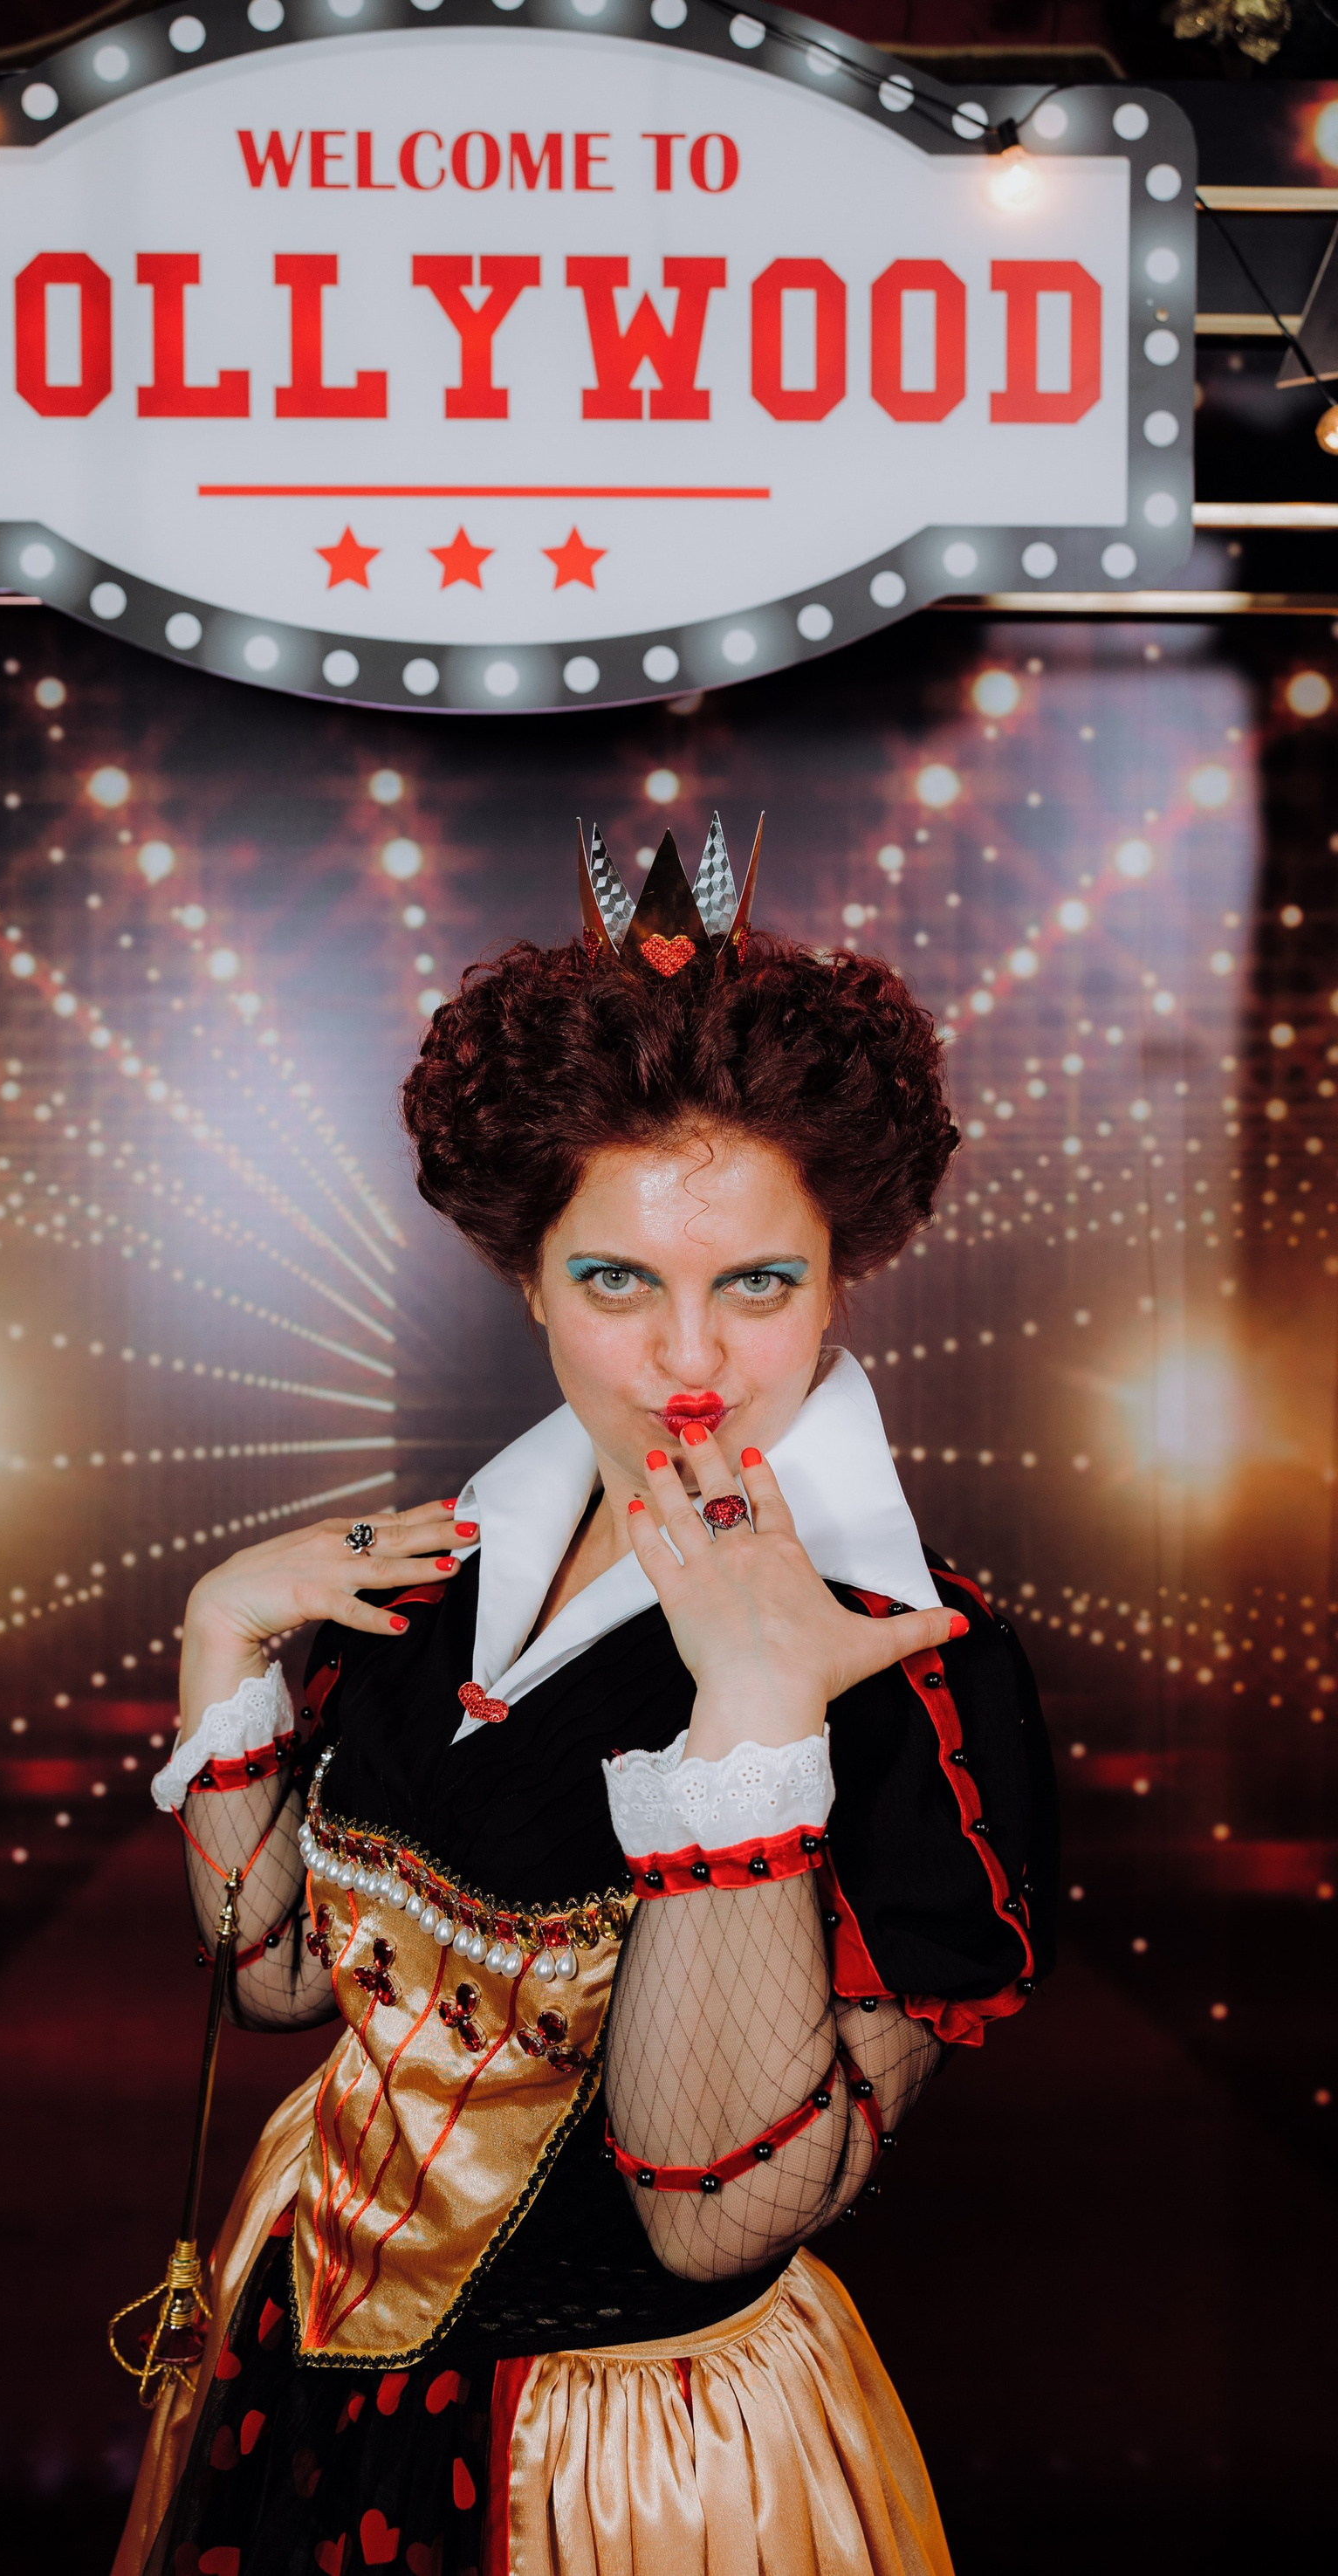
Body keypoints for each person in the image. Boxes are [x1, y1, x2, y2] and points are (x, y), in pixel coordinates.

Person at [114, 821, 1056, 2576]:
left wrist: (754, 1720)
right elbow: (281, 1978)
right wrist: (223, 1637)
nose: (691, 1360)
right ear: (528, 1280)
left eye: (757, 1282)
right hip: (292, 2355)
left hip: (623, 2472)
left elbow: (714, 2219)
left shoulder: (916, 1666)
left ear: (840, 1277)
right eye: (618, 1279)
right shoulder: (433, 1575)